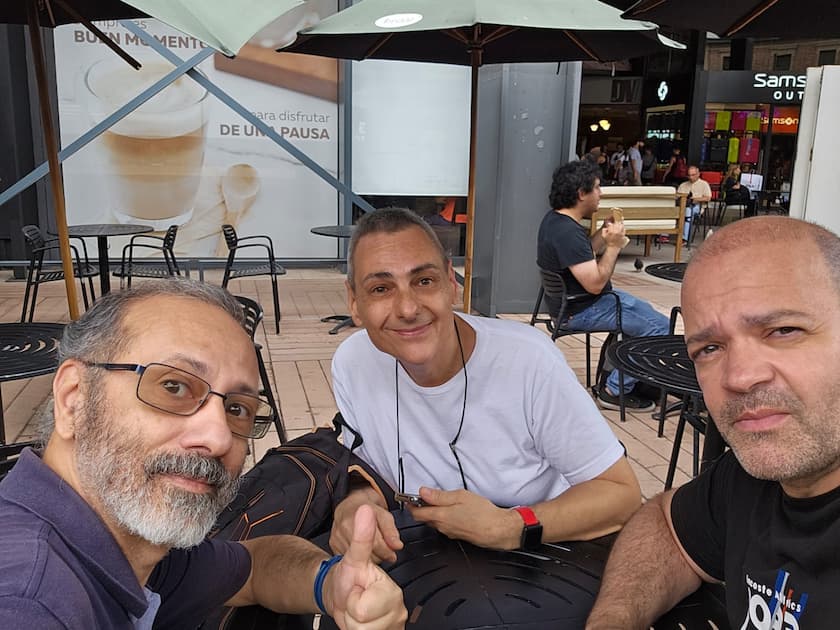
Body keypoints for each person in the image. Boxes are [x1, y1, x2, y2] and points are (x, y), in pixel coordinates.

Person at [0, 279, 406, 629]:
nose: (218, 438)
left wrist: (330, 583)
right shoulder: (29, 602)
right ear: (73, 398)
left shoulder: (120, 543)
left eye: (237, 408)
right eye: (173, 387)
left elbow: (254, 567)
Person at [328, 207, 641, 564]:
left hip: (545, 554)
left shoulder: (528, 360)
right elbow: (367, 466)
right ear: (354, 303)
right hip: (425, 557)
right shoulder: (353, 363)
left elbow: (622, 495)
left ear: (451, 283)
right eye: (381, 288)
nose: (408, 308)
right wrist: (356, 504)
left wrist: (509, 526)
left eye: (424, 281)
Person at [586, 216, 840, 628]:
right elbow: (666, 525)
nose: (739, 377)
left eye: (783, 330)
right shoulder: (746, 479)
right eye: (709, 349)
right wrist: (614, 619)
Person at [537, 160, 670, 412]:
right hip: (583, 309)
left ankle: (622, 376)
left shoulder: (556, 221)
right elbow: (596, 284)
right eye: (597, 187)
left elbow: (582, 253)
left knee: (645, 315)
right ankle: (614, 391)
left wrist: (602, 232)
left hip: (574, 305)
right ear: (581, 193)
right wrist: (614, 246)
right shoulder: (567, 232)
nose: (601, 193)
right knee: (661, 328)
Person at [677, 165, 712, 243]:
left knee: (688, 211)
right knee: (670, 210)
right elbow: (677, 197)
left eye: (693, 175)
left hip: (697, 206)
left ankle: (684, 238)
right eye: (689, 175)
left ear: (698, 174)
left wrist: (695, 199)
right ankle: (664, 235)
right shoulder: (683, 185)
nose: (691, 177)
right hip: (682, 205)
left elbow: (708, 198)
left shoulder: (704, 184)